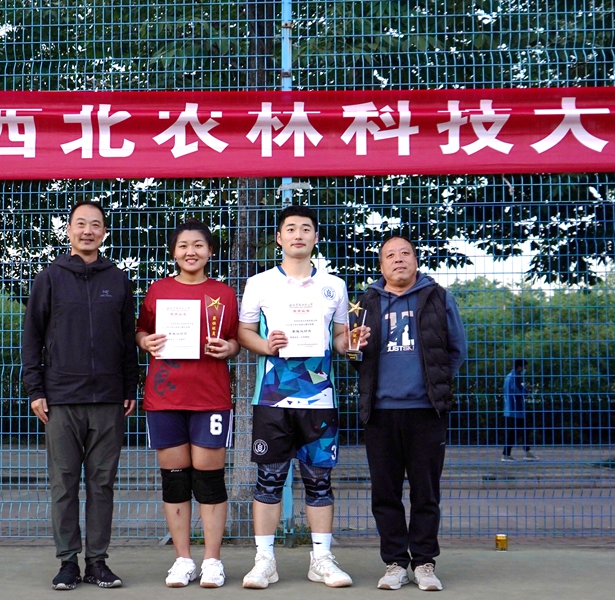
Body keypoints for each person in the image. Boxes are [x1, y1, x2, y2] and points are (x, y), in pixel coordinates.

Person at [238, 204, 366, 589]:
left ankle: (321, 559)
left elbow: (341, 338)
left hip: (320, 400)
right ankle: (264, 561)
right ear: (279, 238)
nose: (298, 234)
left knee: (319, 482)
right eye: (291, 228)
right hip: (272, 399)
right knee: (268, 480)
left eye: (306, 228)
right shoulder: (260, 283)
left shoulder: (334, 286)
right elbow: (244, 332)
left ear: (315, 237)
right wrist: (265, 345)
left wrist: (352, 344)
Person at [22, 200, 138, 591]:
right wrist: (36, 389)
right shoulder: (49, 278)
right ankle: (67, 562)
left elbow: (127, 339)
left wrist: (129, 387)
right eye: (80, 224)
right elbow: (32, 338)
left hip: (108, 399)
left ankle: (98, 562)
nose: (88, 231)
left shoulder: (118, 280)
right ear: (69, 230)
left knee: (102, 484)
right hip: (60, 399)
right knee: (64, 484)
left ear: (104, 232)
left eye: (95, 225)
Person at [351, 235, 467, 592]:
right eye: (390, 255)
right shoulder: (365, 302)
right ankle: (395, 563)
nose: (398, 259)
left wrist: (434, 383)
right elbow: (354, 355)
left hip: (426, 410)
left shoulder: (437, 297)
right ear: (381, 265)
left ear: (416, 261)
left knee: (425, 492)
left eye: (405, 253)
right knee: (384, 493)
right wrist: (354, 348)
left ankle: (425, 562)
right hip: (380, 412)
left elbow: (456, 350)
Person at [136, 219, 240, 588]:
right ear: (174, 252)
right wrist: (144, 341)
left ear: (210, 251)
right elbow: (141, 330)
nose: (190, 251)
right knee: (175, 479)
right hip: (165, 397)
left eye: (198, 245)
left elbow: (235, 339)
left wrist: (228, 348)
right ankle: (183, 560)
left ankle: (212, 560)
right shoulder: (158, 290)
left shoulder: (223, 293)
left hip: (210, 397)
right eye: (183, 245)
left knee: (209, 479)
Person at [502, 359, 537, 462]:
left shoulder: (509, 376)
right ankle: (506, 454)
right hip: (515, 408)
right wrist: (527, 391)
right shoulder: (516, 377)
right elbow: (518, 392)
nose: (525, 369)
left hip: (510, 408)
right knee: (516, 431)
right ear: (519, 367)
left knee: (523, 429)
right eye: (524, 367)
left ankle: (527, 452)